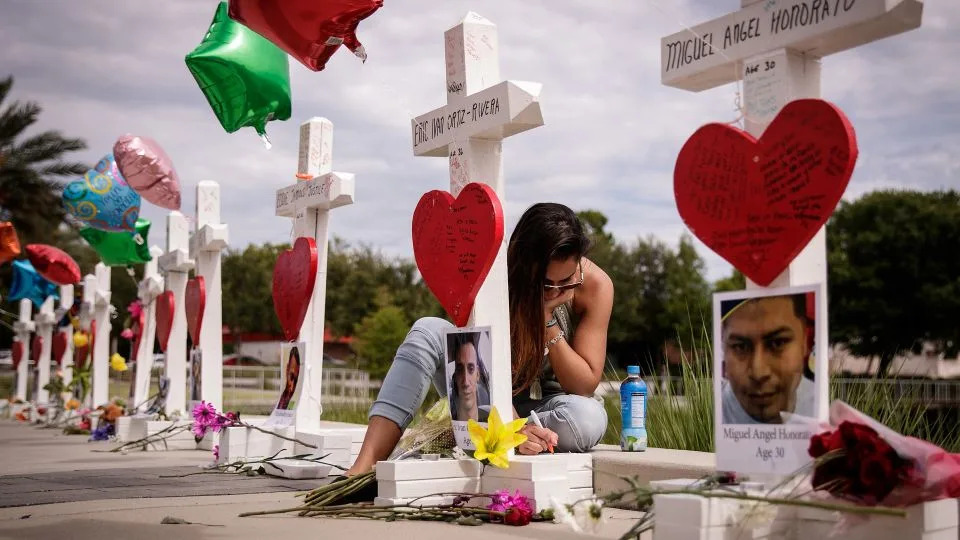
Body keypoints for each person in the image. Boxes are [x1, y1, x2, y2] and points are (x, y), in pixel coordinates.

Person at [346, 202, 613, 476]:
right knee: (426, 329)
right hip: (485, 394)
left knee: (586, 418)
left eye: (566, 281)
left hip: (552, 408)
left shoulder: (595, 285)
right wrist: (512, 426)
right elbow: (474, 354)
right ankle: (365, 465)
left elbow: (583, 385)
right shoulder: (497, 272)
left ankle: (468, 434)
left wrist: (547, 319)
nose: (555, 290)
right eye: (545, 284)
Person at [720, 293, 816, 424]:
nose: (758, 373)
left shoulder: (824, 413)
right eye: (740, 347)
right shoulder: (708, 419)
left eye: (778, 343)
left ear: (804, 342)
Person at [447, 331, 491, 422]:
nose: (466, 382)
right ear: (455, 377)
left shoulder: (491, 417)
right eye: (460, 370)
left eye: (471, 369)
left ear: (478, 374)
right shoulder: (446, 422)